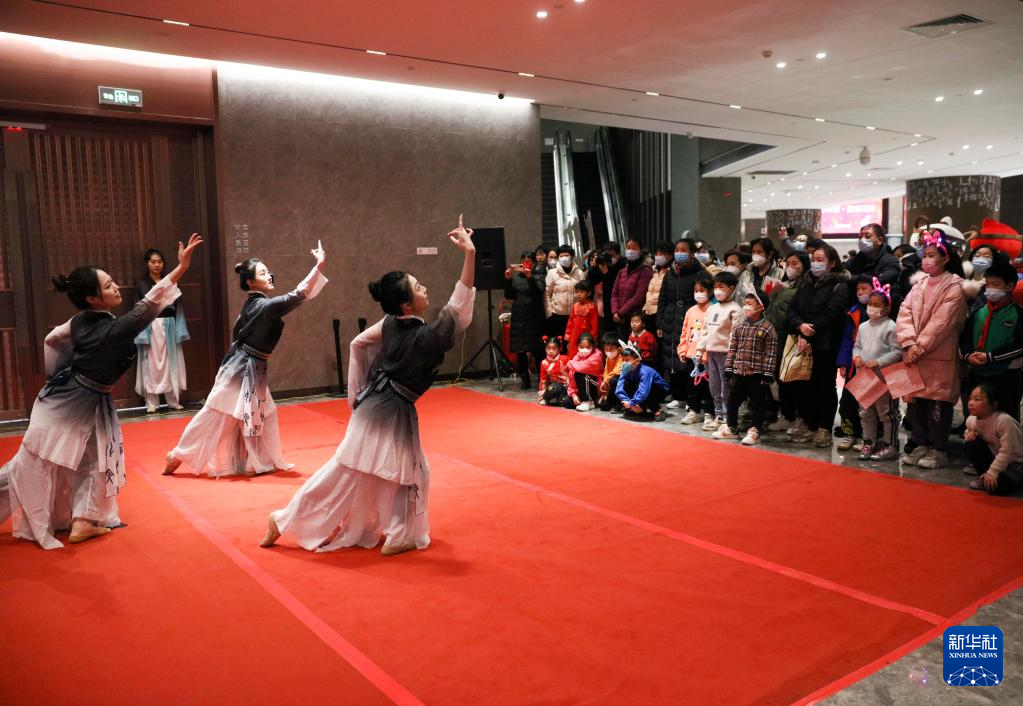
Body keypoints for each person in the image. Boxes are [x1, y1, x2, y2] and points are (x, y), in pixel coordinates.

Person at [261, 217, 475, 555]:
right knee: (408, 472)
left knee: (361, 472)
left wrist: (358, 394)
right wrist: (470, 254)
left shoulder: (391, 323)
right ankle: (396, 535)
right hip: (389, 409)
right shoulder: (425, 337)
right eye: (418, 288)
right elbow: (458, 309)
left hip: (376, 404)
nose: (425, 289)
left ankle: (292, 518)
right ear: (406, 305)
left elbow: (358, 343)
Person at [0, 234, 203, 549]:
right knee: (31, 465)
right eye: (108, 286)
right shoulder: (112, 328)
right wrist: (181, 268)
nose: (116, 287)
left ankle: (83, 520)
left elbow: (53, 340)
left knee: (95, 461)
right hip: (68, 405)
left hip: (83, 399)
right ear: (93, 299)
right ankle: (79, 519)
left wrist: (57, 376)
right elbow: (148, 305)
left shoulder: (81, 320)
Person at [165, 242, 328, 477]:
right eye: (263, 273)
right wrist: (319, 265)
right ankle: (178, 454)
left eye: (268, 272)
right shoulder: (263, 305)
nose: (269, 276)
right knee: (217, 414)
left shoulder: (255, 303)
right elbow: (299, 294)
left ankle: (255, 462)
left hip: (251, 365)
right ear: (251, 282)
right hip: (241, 368)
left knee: (261, 414)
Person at [897, 229, 967, 469]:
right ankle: (920, 444)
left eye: (931, 255)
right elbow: (904, 313)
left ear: (945, 257)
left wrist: (919, 346)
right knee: (915, 403)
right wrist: (908, 342)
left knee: (938, 403)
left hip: (939, 355)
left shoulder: (955, 285)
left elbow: (943, 321)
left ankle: (938, 450)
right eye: (924, 255)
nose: (926, 259)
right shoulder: (919, 284)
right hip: (914, 354)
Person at [787, 244, 850, 447]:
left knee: (825, 386)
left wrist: (809, 331)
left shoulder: (840, 285)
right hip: (803, 341)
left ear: (832, 263)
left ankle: (824, 428)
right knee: (805, 386)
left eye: (820, 260)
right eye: (813, 259)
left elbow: (831, 313)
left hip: (826, 344)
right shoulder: (805, 283)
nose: (815, 263)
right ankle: (810, 424)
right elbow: (792, 309)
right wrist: (800, 326)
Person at [960, 261, 1023, 420]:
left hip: (1006, 374)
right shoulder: (979, 311)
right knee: (975, 419)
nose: (989, 289)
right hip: (977, 373)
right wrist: (968, 355)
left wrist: (990, 356)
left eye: (995, 284)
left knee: (1005, 419)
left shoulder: (1017, 314)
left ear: (1009, 286)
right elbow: (965, 337)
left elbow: (1020, 345)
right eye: (987, 284)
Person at [713, 291, 777, 446]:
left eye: (750, 304)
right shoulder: (739, 326)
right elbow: (733, 349)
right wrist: (729, 367)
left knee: (757, 403)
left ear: (760, 307)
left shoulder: (767, 328)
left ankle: (755, 430)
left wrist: (768, 373)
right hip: (740, 372)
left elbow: (771, 353)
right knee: (732, 401)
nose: (745, 307)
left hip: (757, 374)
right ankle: (732, 428)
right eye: (745, 304)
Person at [134, 248, 189, 413]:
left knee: (171, 362)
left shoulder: (171, 282)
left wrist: (179, 329)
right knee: (150, 364)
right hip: (150, 326)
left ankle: (173, 400)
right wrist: (140, 330)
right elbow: (138, 310)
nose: (156, 265)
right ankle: (151, 402)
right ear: (147, 263)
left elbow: (178, 308)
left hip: (169, 326)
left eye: (159, 262)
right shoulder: (141, 285)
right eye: (153, 262)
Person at [852, 282, 903, 461]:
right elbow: (857, 346)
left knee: (887, 413)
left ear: (886, 308)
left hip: (884, 378)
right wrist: (856, 356)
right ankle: (869, 442)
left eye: (876, 304)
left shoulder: (891, 326)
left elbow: (897, 352)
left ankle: (891, 445)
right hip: (865, 377)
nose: (872, 307)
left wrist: (879, 362)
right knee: (866, 412)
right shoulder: (863, 326)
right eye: (870, 304)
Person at [764, 252, 810, 436]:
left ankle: (800, 418)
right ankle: (786, 415)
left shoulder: (806, 286)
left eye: (795, 263)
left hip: (792, 337)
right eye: (788, 263)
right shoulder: (782, 284)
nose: (790, 267)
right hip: (775, 336)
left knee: (794, 380)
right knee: (780, 379)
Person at [657, 238, 701, 408]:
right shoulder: (670, 273)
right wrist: (659, 322)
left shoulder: (698, 273)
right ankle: (678, 396)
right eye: (677, 249)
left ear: (691, 253)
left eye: (684, 250)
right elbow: (662, 298)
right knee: (671, 357)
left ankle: (691, 398)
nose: (679, 253)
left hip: (690, 318)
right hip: (670, 318)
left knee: (687, 358)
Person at [698, 271, 742, 431]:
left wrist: (732, 354)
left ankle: (727, 417)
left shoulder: (736, 309)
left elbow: (735, 335)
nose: (717, 290)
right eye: (715, 287)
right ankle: (718, 415)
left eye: (721, 287)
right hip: (711, 353)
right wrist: (699, 350)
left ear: (731, 288)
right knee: (714, 386)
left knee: (726, 388)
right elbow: (705, 331)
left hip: (726, 354)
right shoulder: (712, 308)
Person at [835, 275, 873, 451]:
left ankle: (867, 437)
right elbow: (847, 340)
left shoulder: (882, 313)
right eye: (858, 289)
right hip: (854, 365)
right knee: (847, 402)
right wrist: (844, 363)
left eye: (864, 288)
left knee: (868, 405)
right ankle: (849, 433)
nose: (860, 292)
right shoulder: (854, 311)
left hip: (873, 366)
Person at [964, 383, 1023, 495]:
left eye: (977, 399)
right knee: (971, 444)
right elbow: (969, 431)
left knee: (998, 488)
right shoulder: (971, 420)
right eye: (970, 398)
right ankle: (983, 476)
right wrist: (968, 434)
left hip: (1016, 464)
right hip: (997, 458)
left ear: (993, 405)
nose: (971, 403)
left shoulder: (1003, 421)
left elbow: (1008, 451)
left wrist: (993, 472)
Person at [504, 251, 546, 390]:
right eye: (524, 259)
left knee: (537, 349)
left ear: (533, 263)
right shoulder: (516, 278)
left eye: (529, 260)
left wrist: (530, 278)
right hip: (518, 317)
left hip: (534, 317)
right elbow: (509, 295)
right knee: (520, 349)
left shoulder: (539, 276)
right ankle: (524, 379)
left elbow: (538, 293)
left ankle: (541, 379)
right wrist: (508, 279)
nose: (526, 262)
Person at [677, 275, 715, 425]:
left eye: (702, 290)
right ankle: (694, 411)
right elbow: (684, 332)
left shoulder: (713, 310)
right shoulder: (691, 311)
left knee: (708, 387)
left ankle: (710, 413)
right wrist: (682, 350)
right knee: (692, 385)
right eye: (696, 290)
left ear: (710, 291)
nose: (698, 293)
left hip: (707, 357)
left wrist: (706, 354)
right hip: (691, 356)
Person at [615, 343, 669, 422]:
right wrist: (628, 402)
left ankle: (657, 410)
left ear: (637, 361)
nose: (624, 363)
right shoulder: (626, 370)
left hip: (659, 390)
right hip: (642, 389)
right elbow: (619, 389)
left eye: (627, 360)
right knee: (625, 384)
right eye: (623, 360)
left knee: (644, 387)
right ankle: (640, 409)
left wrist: (631, 403)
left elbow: (643, 392)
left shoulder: (645, 372)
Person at [611, 239, 653, 339]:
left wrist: (620, 313)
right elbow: (614, 294)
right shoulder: (622, 272)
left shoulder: (645, 272)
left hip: (635, 319)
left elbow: (639, 297)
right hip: (619, 319)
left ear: (640, 251)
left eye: (634, 248)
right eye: (628, 248)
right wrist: (615, 312)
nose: (630, 251)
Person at [546, 245, 584, 339]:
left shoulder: (579, 273)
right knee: (558, 342)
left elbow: (584, 294)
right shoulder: (552, 273)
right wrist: (550, 311)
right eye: (561, 256)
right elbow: (547, 294)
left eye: (566, 255)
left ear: (572, 256)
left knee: (573, 341)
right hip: (557, 315)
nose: (564, 258)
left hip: (575, 315)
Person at [587, 241, 626, 334]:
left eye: (610, 255)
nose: (608, 258)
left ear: (618, 253)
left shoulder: (623, 266)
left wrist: (606, 273)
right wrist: (594, 266)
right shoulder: (604, 266)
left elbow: (612, 290)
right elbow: (591, 281)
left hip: (619, 309)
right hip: (604, 308)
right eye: (606, 256)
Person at [566, 331, 603, 411]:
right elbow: (571, 376)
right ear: (577, 346)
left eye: (588, 347)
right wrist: (574, 395)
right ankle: (583, 399)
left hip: (597, 386)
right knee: (568, 402)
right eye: (581, 347)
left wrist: (569, 363)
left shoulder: (597, 356)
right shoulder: (577, 356)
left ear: (593, 346)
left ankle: (588, 401)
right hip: (583, 387)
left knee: (580, 375)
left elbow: (580, 368)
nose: (584, 350)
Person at [563, 279, 599, 358]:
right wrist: (568, 337)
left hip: (585, 336)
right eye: (577, 292)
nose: (578, 294)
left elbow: (594, 325)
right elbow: (570, 322)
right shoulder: (575, 305)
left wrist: (592, 338)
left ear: (589, 293)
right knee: (573, 354)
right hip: (574, 336)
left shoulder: (592, 307)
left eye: (581, 292)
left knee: (585, 354)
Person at [643, 242, 673, 335]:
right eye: (656, 254)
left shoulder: (672, 272)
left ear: (671, 255)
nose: (658, 256)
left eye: (662, 254)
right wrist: (645, 308)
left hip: (660, 313)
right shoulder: (654, 270)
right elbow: (650, 291)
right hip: (648, 312)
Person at [538, 336, 569, 406]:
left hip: (566, 387)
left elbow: (572, 375)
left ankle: (559, 398)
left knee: (565, 402)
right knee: (554, 387)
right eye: (548, 348)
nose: (551, 351)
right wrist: (542, 396)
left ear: (559, 349)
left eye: (554, 349)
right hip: (554, 386)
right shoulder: (544, 363)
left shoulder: (565, 359)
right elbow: (543, 380)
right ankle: (546, 398)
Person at [598, 333, 623, 412]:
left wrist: (606, 380)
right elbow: (606, 373)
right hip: (611, 385)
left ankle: (619, 405)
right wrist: (605, 391)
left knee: (614, 379)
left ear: (619, 348)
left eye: (611, 349)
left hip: (621, 384)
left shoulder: (622, 356)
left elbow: (617, 371)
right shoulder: (608, 358)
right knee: (604, 406)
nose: (608, 351)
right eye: (606, 349)